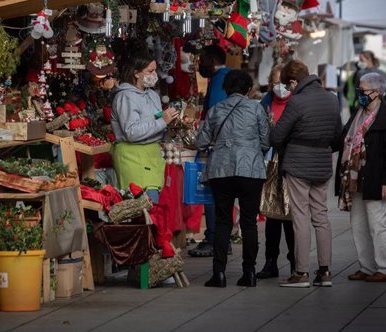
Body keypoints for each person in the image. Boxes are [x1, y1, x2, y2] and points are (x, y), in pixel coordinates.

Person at [270, 60, 342, 288]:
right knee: (321, 216)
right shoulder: (332, 99)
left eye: (288, 86)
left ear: (293, 81)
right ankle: (325, 271)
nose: (287, 90)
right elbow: (338, 136)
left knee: (300, 217)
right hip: (322, 162)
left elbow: (276, 136)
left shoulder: (297, 102)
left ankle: (301, 273)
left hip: (298, 163)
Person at [197, 70, 270, 288]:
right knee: (249, 222)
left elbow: (201, 140)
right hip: (250, 171)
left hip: (221, 170)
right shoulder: (256, 109)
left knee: (222, 222)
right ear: (248, 89)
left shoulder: (215, 109)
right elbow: (266, 141)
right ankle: (249, 273)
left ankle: (218, 274)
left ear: (226, 88)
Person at [336, 73, 386, 283]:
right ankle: (366, 266)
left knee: (378, 223)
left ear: (377, 93)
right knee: (358, 224)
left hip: (375, 178)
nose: (360, 94)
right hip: (355, 179)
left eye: (363, 91)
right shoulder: (359, 113)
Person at [111, 49, 179, 194]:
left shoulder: (153, 95)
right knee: (143, 206)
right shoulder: (125, 97)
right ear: (136, 73)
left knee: (157, 207)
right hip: (132, 157)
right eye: (149, 71)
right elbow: (132, 132)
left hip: (152, 154)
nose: (154, 75)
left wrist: (170, 124)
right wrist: (162, 122)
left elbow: (155, 122)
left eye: (155, 70)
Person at [188, 45, 231, 258]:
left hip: (218, 148)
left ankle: (213, 238)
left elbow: (213, 117)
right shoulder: (229, 76)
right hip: (231, 148)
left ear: (211, 62)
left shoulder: (217, 81)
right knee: (223, 195)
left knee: (213, 194)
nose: (199, 65)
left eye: (201, 61)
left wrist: (201, 142)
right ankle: (222, 238)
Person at [257, 64, 296, 278]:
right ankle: (270, 261)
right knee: (272, 214)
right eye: (275, 82)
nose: (279, 87)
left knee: (290, 215)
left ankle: (294, 262)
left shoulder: (297, 101)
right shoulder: (266, 101)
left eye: (283, 82)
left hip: (291, 162)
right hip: (270, 162)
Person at [344, 51, 386, 115]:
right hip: (380, 108)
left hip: (364, 109)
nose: (359, 62)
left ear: (369, 59)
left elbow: (357, 92)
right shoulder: (382, 73)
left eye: (361, 60)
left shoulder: (360, 73)